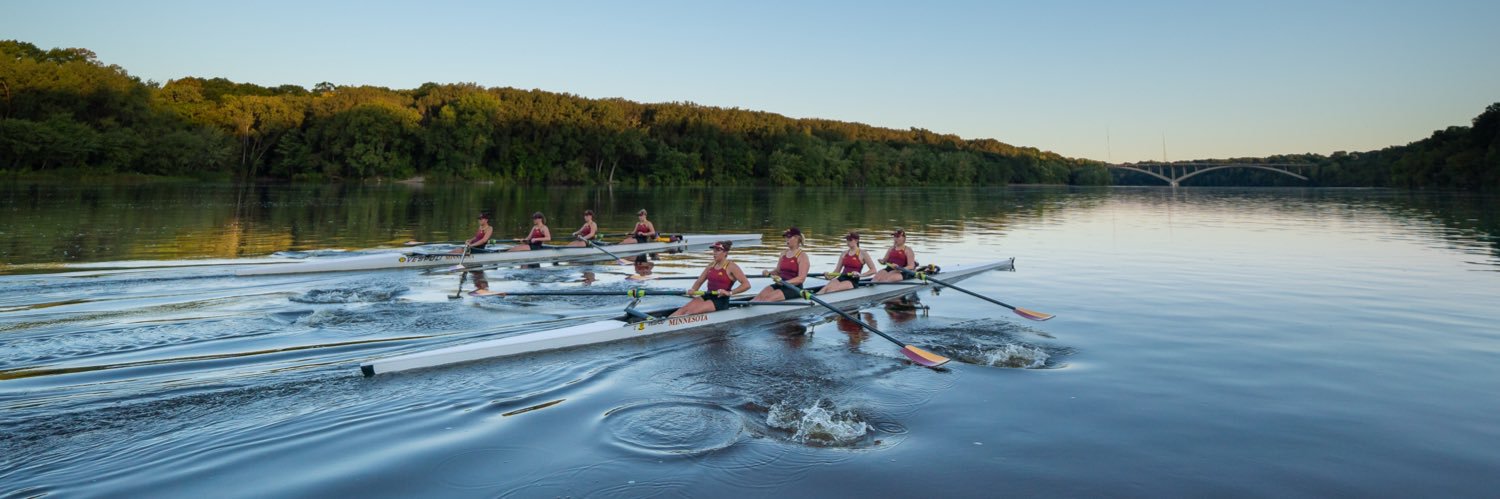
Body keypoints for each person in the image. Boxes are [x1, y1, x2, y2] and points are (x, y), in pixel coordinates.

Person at [671, 241, 752, 317]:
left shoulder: (732, 267)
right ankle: (661, 325)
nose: (714, 253)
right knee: (683, 310)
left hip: (720, 300)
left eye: (718, 250)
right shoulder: (711, 265)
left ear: (725, 252)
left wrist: (729, 293)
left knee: (690, 313)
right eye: (714, 250)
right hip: (707, 295)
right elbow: (699, 281)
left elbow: (746, 285)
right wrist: (693, 290)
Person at [753, 227, 811, 302]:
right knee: (757, 298)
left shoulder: (802, 256)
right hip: (781, 284)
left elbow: (801, 279)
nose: (786, 239)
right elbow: (778, 271)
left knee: (767, 299)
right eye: (786, 237)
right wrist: (768, 272)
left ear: (797, 238)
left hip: (794, 288)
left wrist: (784, 282)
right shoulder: (783, 253)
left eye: (789, 237)